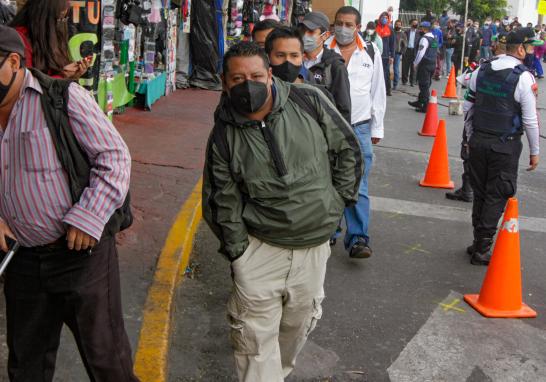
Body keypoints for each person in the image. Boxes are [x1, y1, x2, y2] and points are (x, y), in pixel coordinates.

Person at [202, 41, 362, 381]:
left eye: (257, 75)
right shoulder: (223, 134)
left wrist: (336, 206)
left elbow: (347, 149)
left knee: (297, 327)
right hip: (260, 250)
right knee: (254, 343)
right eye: (238, 78)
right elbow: (221, 198)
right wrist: (239, 253)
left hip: (314, 246)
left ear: (270, 75)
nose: (249, 84)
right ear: (224, 82)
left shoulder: (310, 101)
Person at [0, 25, 138, 381]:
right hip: (22, 260)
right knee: (26, 365)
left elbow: (114, 157)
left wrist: (88, 217)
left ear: (13, 62)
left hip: (81, 256)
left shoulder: (61, 97)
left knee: (107, 362)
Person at [464, 29, 540, 265]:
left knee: (481, 193)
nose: (531, 52)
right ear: (520, 49)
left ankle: (478, 242)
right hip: (504, 146)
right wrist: (535, 151)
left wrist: (469, 138)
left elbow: (468, 106)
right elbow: (530, 120)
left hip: (477, 142)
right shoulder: (524, 77)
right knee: (497, 195)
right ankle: (483, 248)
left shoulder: (482, 69)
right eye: (530, 48)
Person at [326, 6, 386, 258]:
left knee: (357, 185)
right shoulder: (322, 50)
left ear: (358, 27)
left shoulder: (371, 52)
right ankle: (327, 231)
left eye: (349, 24)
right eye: (339, 23)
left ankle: (358, 238)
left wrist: (377, 126)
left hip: (359, 127)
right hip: (327, 127)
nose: (343, 28)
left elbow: (378, 91)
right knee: (326, 180)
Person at [10, 0, 91, 79]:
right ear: (43, 16)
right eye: (59, 18)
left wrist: (72, 76)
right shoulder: (19, 39)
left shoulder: (48, 35)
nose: (61, 23)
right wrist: (63, 76)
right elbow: (26, 86)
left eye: (64, 18)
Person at [299, 11, 352, 123]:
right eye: (302, 31)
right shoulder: (294, 60)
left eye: (311, 32)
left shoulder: (335, 66)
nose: (305, 35)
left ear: (325, 35)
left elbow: (343, 107)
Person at [408, 21, 437, 113]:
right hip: (432, 63)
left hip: (425, 64)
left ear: (424, 29)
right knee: (427, 84)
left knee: (423, 85)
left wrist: (415, 63)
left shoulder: (424, 39)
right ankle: (420, 101)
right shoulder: (434, 38)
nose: (419, 29)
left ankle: (425, 106)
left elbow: (420, 53)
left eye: (421, 28)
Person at [376, 11, 395, 96]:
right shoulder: (376, 27)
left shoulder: (390, 29)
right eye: (383, 17)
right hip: (376, 54)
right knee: (377, 72)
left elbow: (392, 43)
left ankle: (388, 89)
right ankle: (377, 89)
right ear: (380, 18)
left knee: (386, 73)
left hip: (386, 55)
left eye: (386, 18)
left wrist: (392, 56)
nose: (384, 19)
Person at [402, 19, 420, 86]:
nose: (415, 24)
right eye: (414, 23)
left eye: (416, 23)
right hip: (407, 50)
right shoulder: (406, 32)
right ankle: (404, 81)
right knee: (405, 66)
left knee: (413, 67)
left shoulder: (419, 32)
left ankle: (412, 81)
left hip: (414, 51)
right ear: (411, 24)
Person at [393, 19, 407, 90]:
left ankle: (395, 84)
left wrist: (401, 52)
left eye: (399, 25)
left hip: (397, 53)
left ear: (401, 25)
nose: (397, 26)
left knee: (396, 68)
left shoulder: (403, 34)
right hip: (390, 53)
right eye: (396, 24)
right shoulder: (392, 32)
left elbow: (405, 45)